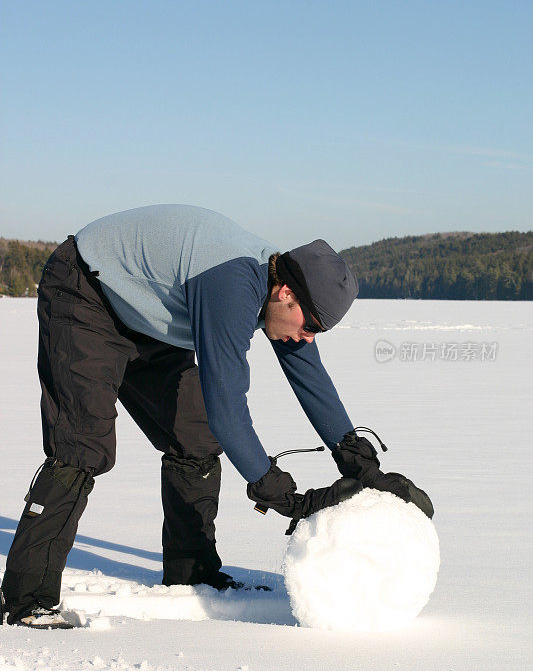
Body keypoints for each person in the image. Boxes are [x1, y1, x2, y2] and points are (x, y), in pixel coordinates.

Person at [1, 204, 432, 628]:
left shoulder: (275, 288)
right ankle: (27, 600)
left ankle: (192, 576)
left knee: (195, 437)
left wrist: (357, 457)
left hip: (147, 318)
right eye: (312, 325)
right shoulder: (233, 286)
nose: (308, 337)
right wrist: (278, 493)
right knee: (82, 447)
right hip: (85, 293)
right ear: (287, 293)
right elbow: (227, 405)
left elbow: (309, 377)